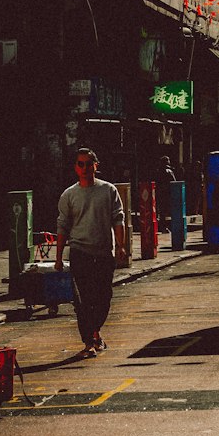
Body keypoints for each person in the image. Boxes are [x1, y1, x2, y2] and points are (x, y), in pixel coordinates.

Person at [55, 147, 127, 358]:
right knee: (83, 301)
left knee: (104, 298)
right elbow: (62, 227)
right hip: (80, 253)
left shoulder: (109, 190)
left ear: (96, 165)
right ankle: (90, 340)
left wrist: (121, 246)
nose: (85, 168)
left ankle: (95, 334)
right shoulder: (69, 195)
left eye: (88, 163)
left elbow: (118, 219)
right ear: (75, 168)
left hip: (104, 253)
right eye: (80, 164)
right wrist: (58, 257)